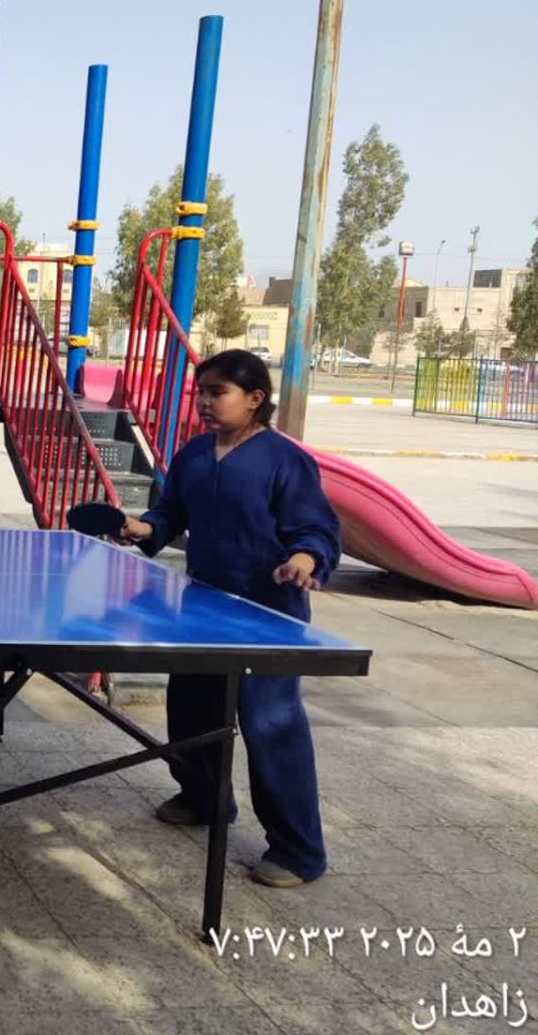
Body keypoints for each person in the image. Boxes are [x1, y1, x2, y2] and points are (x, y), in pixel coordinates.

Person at [118, 349, 341, 888]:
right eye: (201, 392)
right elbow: (171, 512)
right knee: (191, 710)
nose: (204, 402)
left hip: (269, 615)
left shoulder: (286, 461)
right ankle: (204, 800)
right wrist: (147, 528)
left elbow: (316, 529)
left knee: (271, 727)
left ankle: (298, 851)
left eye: (218, 393)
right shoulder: (194, 455)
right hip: (202, 606)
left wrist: (305, 558)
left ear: (255, 399)